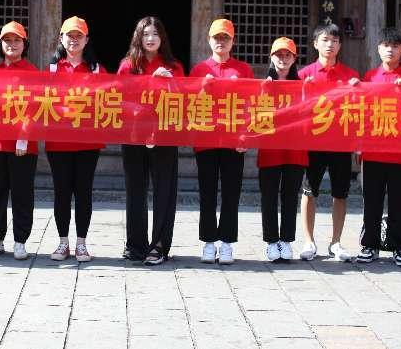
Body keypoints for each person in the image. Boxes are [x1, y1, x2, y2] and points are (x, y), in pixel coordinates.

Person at [117, 16, 184, 265]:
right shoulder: (128, 65)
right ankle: (135, 245)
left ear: (162, 38)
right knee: (135, 190)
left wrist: (169, 84)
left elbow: (183, 100)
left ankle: (159, 245)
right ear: (138, 38)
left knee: (164, 190)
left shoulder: (173, 66)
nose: (150, 38)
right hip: (134, 135)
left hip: (164, 135)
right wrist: (147, 86)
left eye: (155, 34)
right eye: (145, 34)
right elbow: (119, 99)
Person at [190, 18, 254, 265]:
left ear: (232, 41)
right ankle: (208, 241)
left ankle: (227, 242)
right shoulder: (198, 70)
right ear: (209, 40)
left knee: (231, 192)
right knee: (207, 192)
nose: (221, 42)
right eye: (217, 37)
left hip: (233, 141)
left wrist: (246, 135)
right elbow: (188, 105)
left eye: (225, 38)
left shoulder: (243, 70)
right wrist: (201, 89)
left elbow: (251, 105)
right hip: (206, 139)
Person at [356, 27, 401, 268]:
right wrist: (358, 146)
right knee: (371, 201)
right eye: (386, 45)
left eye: (395, 46)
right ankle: (369, 244)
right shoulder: (369, 77)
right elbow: (361, 113)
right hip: (373, 150)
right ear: (378, 48)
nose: (390, 50)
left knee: (400, 202)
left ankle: (400, 246)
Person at [296, 23, 360, 262]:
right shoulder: (304, 74)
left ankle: (336, 242)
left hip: (340, 142)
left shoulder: (351, 76)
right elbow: (294, 109)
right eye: (324, 40)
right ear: (315, 44)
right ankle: (309, 241)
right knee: (308, 190)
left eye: (334, 40)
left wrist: (358, 142)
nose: (329, 45)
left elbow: (359, 110)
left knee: (340, 193)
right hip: (312, 142)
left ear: (340, 45)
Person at [0, 21, 39, 261]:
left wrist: (24, 137)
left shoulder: (33, 72)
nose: (12, 44)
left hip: (23, 146)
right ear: (1, 44)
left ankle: (21, 241)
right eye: (7, 40)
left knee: (22, 193)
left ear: (25, 44)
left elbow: (35, 108)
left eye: (16, 40)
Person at [46, 16, 106, 262]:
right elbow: (40, 101)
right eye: (69, 35)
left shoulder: (96, 70)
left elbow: (110, 99)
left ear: (86, 40)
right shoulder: (52, 69)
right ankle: (63, 243)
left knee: (83, 192)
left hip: (87, 142)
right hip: (58, 142)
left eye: (78, 35)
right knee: (61, 192)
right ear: (61, 38)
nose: (74, 40)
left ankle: (81, 243)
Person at [258, 37, 307, 262]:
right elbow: (255, 116)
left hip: (295, 148)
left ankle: (286, 240)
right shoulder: (263, 85)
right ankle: (271, 241)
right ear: (271, 57)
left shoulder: (302, 85)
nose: (283, 59)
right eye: (279, 54)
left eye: (288, 55)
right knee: (268, 196)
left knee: (290, 196)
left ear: (294, 59)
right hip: (270, 148)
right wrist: (263, 93)